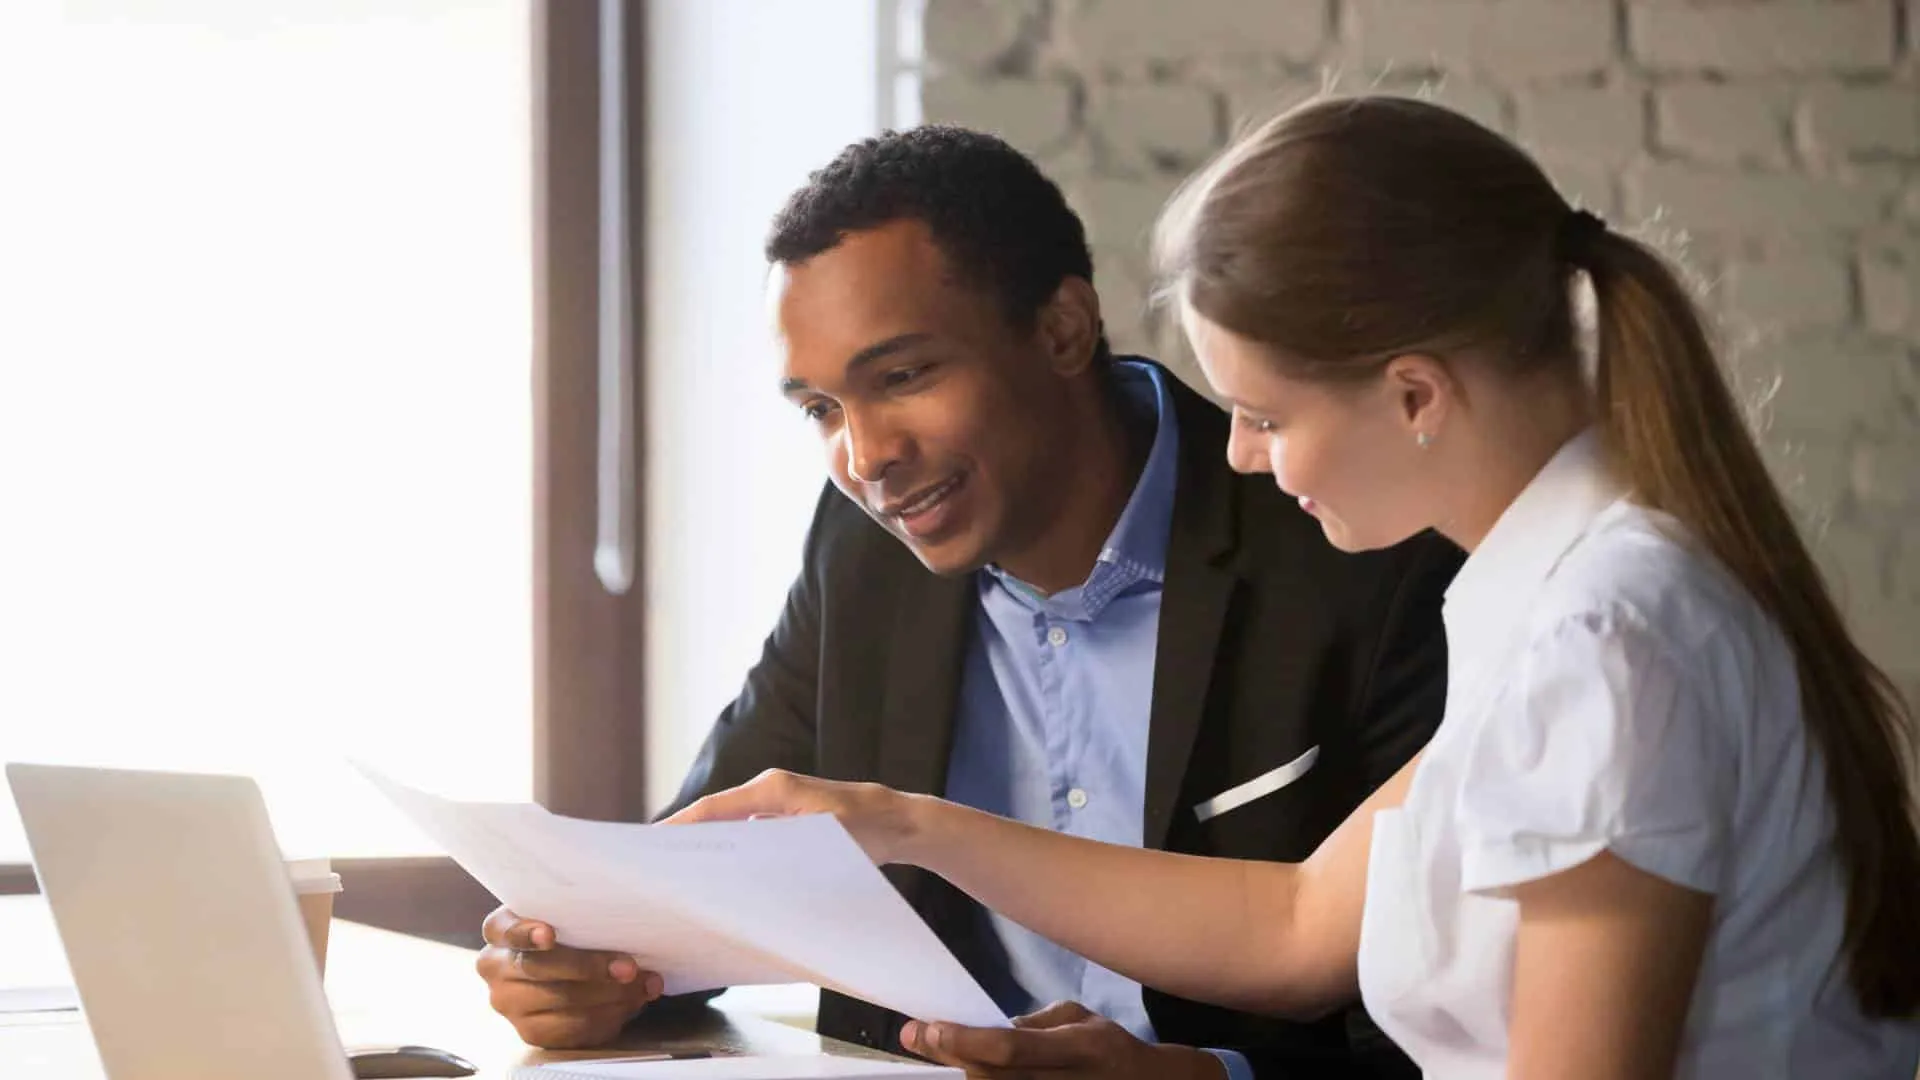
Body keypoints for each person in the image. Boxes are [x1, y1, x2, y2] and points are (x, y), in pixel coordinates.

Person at [671, 97, 1920, 1079]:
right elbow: (1297, 926)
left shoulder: (1606, 634)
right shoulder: (1551, 596)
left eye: (1267, 414)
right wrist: (905, 825)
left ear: (1416, 395)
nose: (1239, 455)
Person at [474, 127, 1460, 1078]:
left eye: (902, 377)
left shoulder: (1360, 551)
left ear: (1064, 329)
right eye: (821, 410)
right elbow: (701, 879)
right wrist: (593, 968)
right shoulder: (863, 546)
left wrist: (1205, 1078)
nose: (864, 458)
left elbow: (1450, 1032)